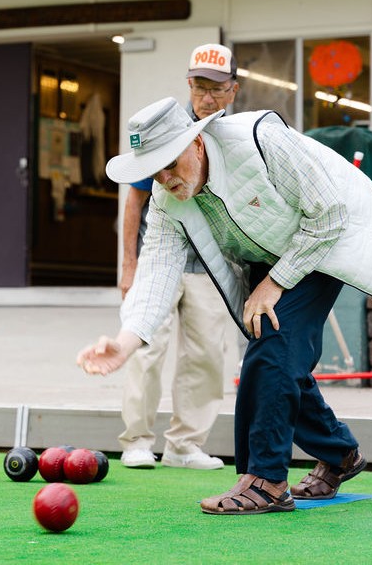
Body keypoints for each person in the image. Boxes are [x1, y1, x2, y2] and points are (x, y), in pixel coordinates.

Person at [76, 96, 372, 515]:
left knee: (273, 343)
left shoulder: (261, 141)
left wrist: (275, 283)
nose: (165, 178)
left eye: (171, 162)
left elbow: (328, 213)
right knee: (281, 355)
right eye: (155, 170)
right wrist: (125, 342)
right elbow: (156, 276)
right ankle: (338, 454)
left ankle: (266, 481)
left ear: (198, 144)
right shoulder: (169, 201)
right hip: (275, 245)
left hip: (335, 230)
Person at [116, 43, 240, 471]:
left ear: (233, 91)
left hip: (211, 264)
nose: (207, 97)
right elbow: (135, 199)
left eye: (216, 89)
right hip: (159, 255)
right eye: (199, 87)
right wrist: (129, 265)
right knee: (146, 344)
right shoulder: (162, 129)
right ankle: (136, 440)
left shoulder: (235, 135)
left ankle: (185, 444)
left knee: (207, 352)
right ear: (189, 85)